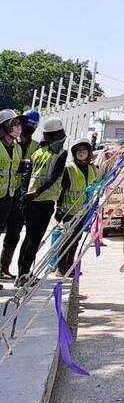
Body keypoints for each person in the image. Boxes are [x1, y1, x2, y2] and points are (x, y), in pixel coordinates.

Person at [16, 117, 67, 285]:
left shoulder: (37, 152)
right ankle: (24, 275)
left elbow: (26, 176)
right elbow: (55, 176)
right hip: (43, 201)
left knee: (29, 237)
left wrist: (26, 194)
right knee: (34, 238)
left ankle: (21, 272)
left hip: (31, 199)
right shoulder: (60, 153)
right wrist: (37, 192)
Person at [0, 110, 39, 281]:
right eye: (14, 124)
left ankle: (3, 269)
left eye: (19, 124)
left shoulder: (16, 148)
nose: (18, 128)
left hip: (12, 196)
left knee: (14, 232)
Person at [55, 139, 97, 278]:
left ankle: (70, 266)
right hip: (69, 210)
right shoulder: (70, 168)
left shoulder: (92, 168)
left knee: (76, 239)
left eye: (84, 150)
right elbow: (62, 189)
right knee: (67, 239)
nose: (81, 153)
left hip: (84, 210)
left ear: (89, 153)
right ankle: (60, 267)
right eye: (78, 151)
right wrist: (59, 208)